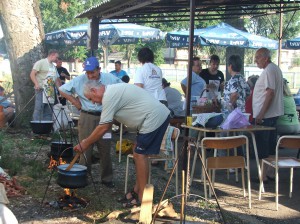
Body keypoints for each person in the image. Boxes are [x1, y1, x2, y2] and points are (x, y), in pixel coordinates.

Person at [73, 81, 170, 207]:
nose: (93, 102)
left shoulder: (109, 96)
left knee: (140, 155)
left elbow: (104, 126)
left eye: (91, 98)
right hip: (151, 118)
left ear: (94, 90)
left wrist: (85, 143)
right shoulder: (112, 91)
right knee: (137, 152)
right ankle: (136, 191)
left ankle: (143, 199)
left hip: (154, 118)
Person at [59, 57, 123, 188]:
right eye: (87, 72)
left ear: (99, 69)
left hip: (105, 116)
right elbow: (62, 89)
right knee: (85, 147)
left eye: (92, 72)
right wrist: (76, 102)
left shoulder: (109, 78)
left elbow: (122, 88)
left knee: (105, 148)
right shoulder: (80, 80)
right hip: (87, 116)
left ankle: (107, 178)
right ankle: (82, 176)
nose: (90, 75)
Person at [252, 48, 283, 182]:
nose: (255, 60)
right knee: (270, 146)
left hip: (266, 116)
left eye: (258, 57)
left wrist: (261, 114)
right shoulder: (274, 69)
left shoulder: (270, 69)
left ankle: (263, 175)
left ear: (265, 58)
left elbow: (270, 93)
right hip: (271, 114)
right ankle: (270, 172)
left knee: (263, 146)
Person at [30, 49, 61, 121]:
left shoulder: (53, 66)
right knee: (39, 108)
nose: (57, 59)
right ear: (52, 55)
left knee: (49, 109)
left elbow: (56, 80)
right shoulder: (41, 62)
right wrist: (36, 84)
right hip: (41, 89)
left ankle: (46, 127)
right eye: (56, 57)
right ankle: (37, 127)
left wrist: (60, 90)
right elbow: (32, 74)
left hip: (50, 91)